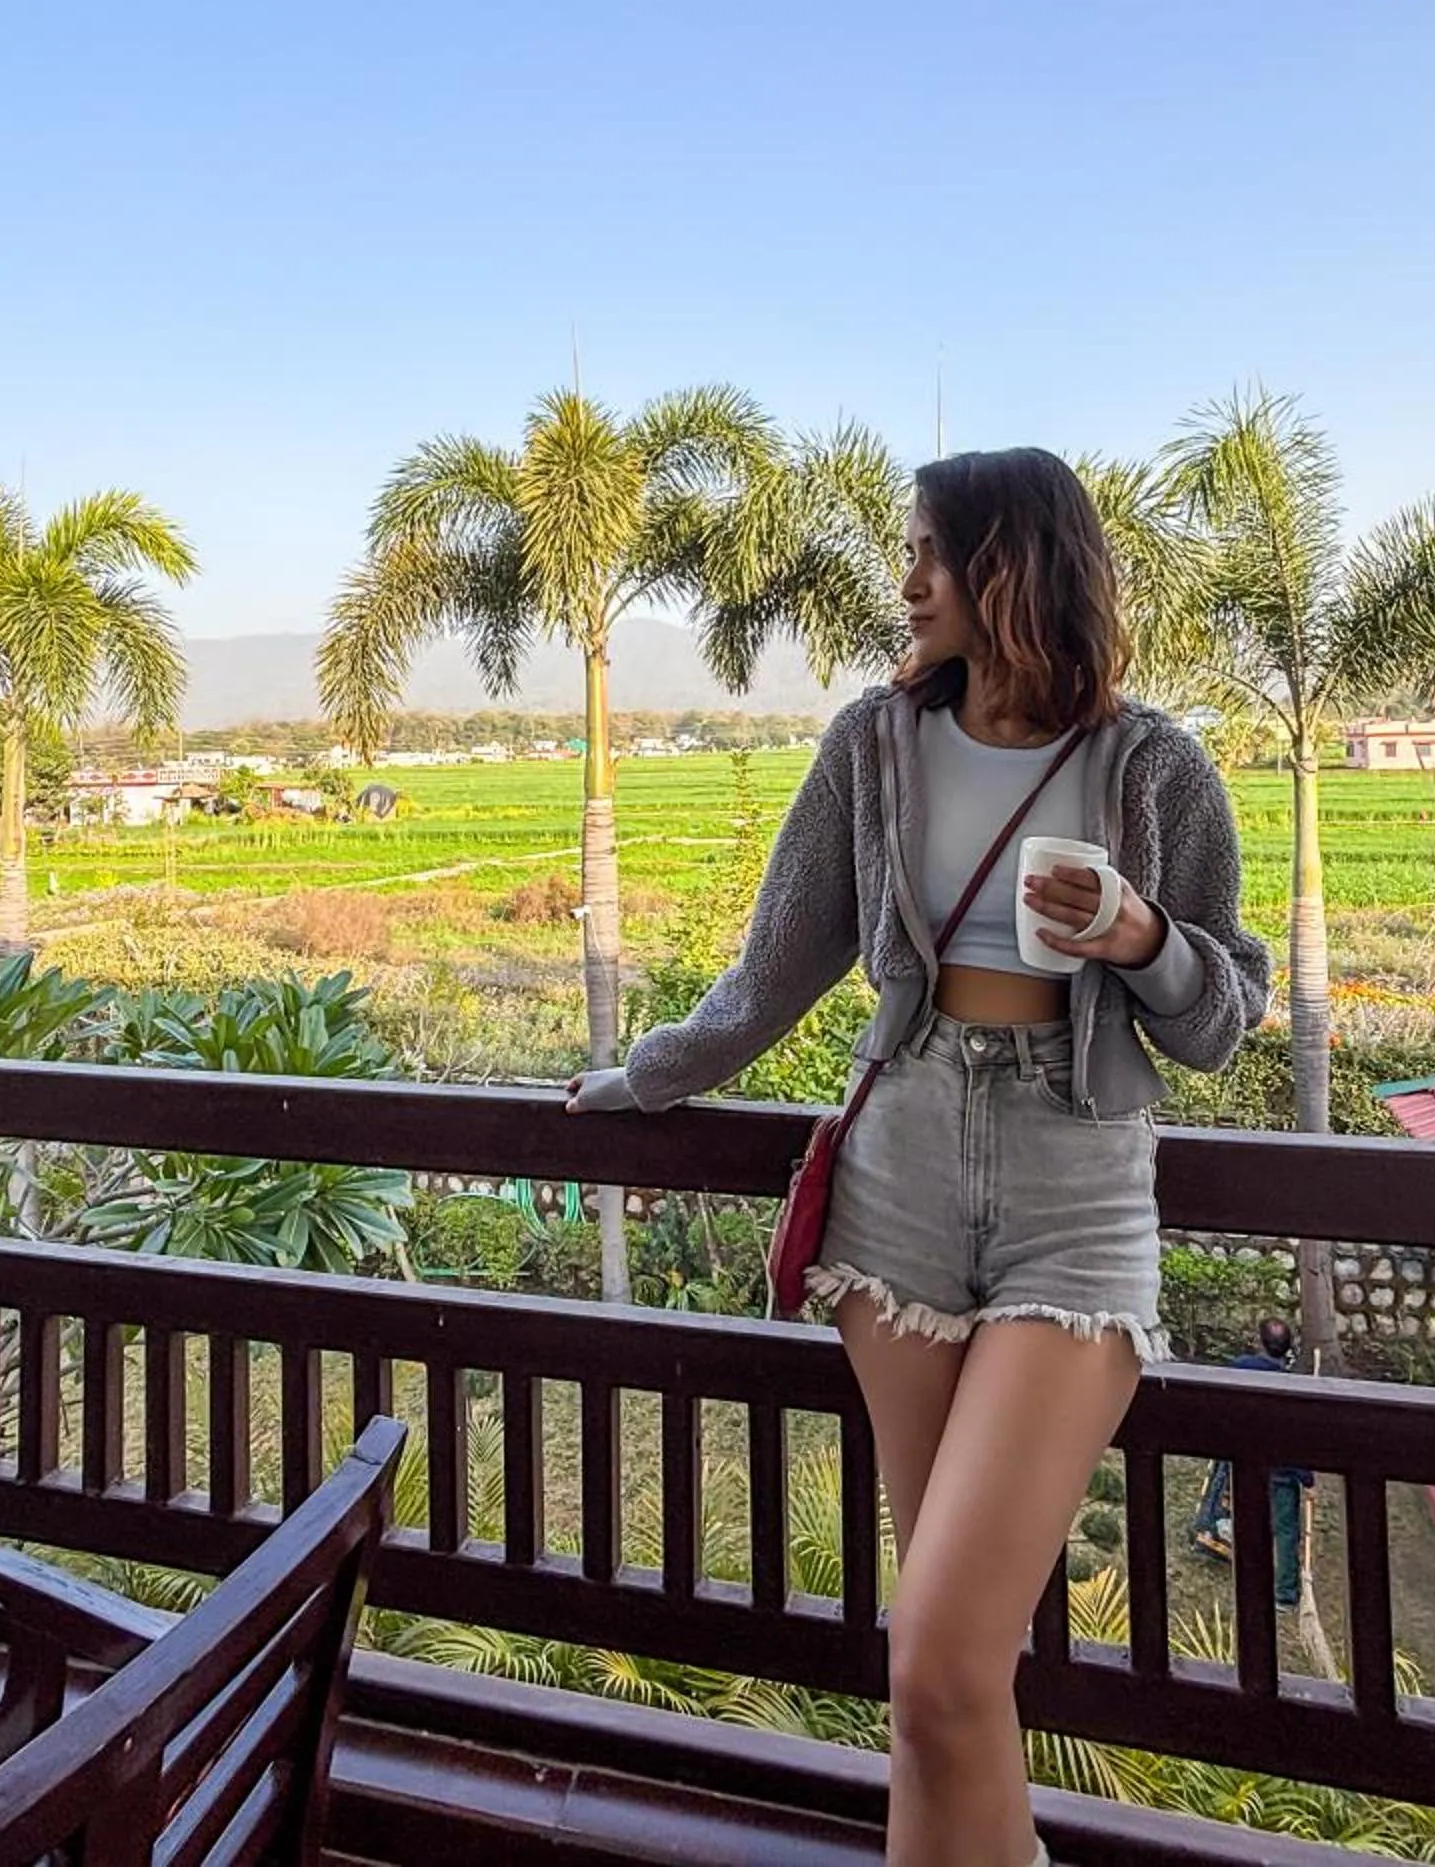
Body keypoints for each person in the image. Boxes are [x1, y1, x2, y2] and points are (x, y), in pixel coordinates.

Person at [569, 448, 1269, 1867]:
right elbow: (777, 967)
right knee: (942, 1684)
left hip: (1077, 1186)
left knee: (942, 1663)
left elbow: (1222, 1021)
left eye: (930, 554)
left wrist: (1141, 938)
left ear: (1013, 566)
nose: (907, 584)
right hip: (900, 1171)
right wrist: (647, 1079)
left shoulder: (1154, 766)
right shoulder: (873, 744)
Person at [1189, 1318, 1313, 1606]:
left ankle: (1216, 1537)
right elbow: (1295, 1434)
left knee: (1237, 1504)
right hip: (1280, 1467)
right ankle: (1285, 1594)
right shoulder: (1291, 1384)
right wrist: (1306, 1477)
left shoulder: (1240, 1367)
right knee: (1285, 1530)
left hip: (1242, 1455)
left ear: (1260, 1342)